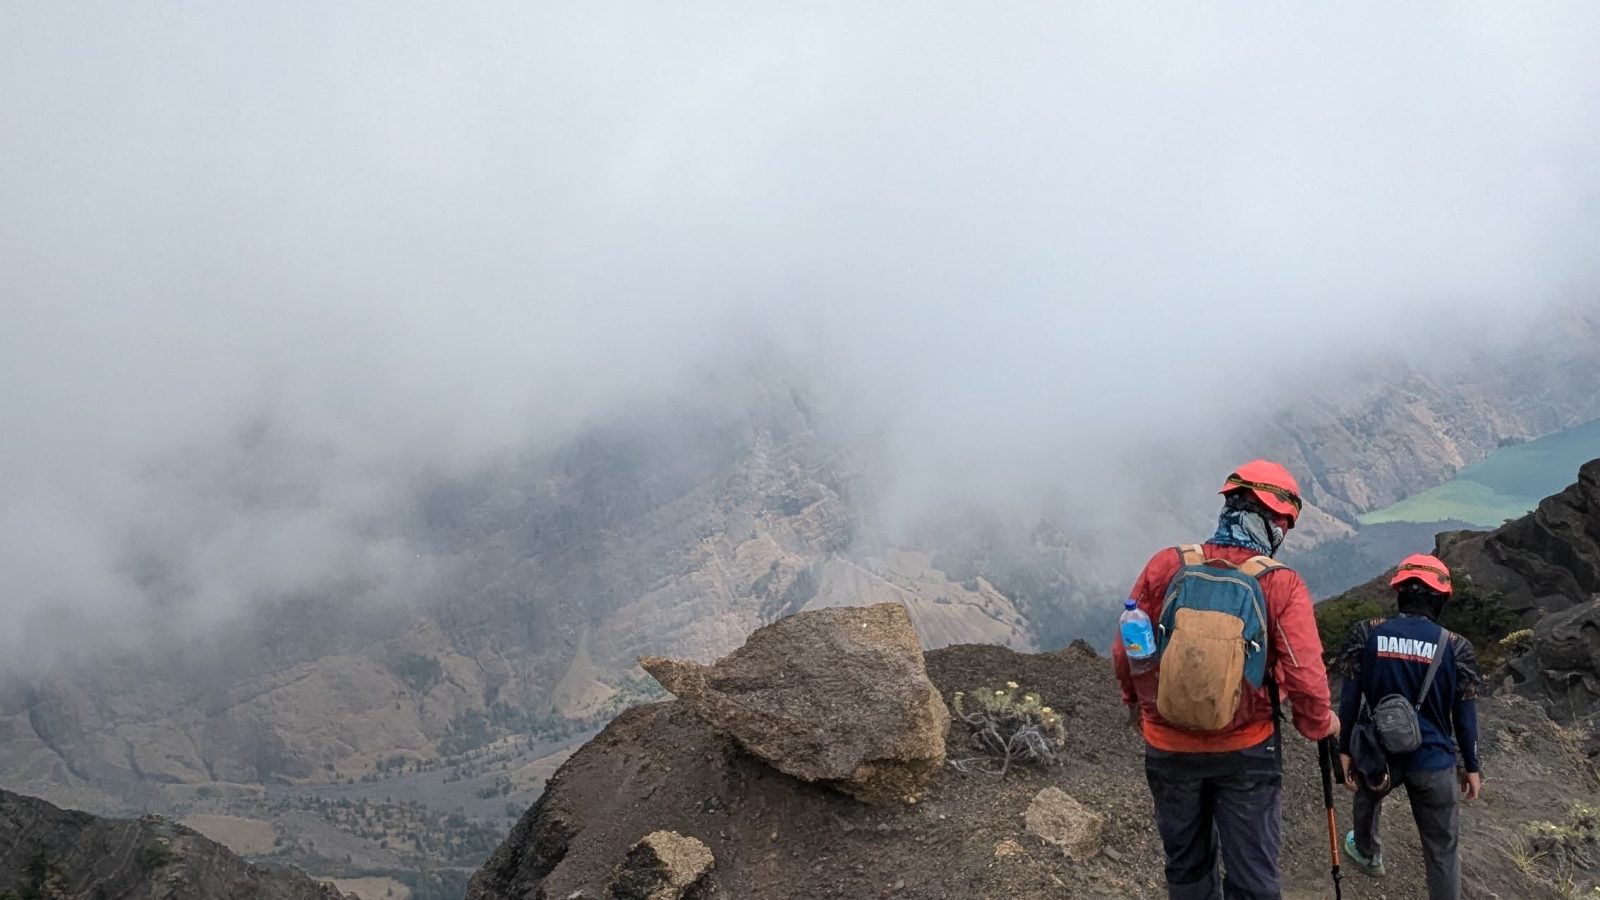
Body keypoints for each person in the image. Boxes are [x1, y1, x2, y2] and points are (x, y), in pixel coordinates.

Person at [1114, 459, 1338, 900]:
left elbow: (1126, 647)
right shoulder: (1281, 584)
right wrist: (1318, 724)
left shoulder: (1167, 563)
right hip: (1246, 751)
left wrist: (1137, 705)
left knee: (1187, 867)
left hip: (1168, 746)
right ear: (1274, 522)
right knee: (1253, 875)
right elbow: (1306, 673)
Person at [1335, 554, 1482, 900]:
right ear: (1440, 598)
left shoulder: (1368, 632)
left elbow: (1349, 699)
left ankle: (1368, 852)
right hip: (1434, 762)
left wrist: (1344, 750)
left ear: (1399, 592)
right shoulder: (1457, 647)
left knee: (1367, 795)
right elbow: (1466, 716)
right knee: (1442, 852)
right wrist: (1472, 766)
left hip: (1379, 756)